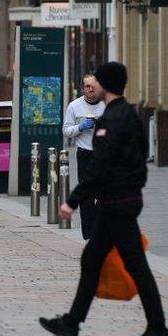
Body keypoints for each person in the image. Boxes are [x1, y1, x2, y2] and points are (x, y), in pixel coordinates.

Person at [39, 62, 168, 336]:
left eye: (96, 82)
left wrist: (72, 201)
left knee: (137, 266)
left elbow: (100, 166)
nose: (92, 87)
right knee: (92, 261)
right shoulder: (129, 114)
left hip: (117, 203)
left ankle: (158, 328)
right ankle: (71, 324)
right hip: (122, 200)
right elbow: (140, 159)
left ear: (105, 85)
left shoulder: (113, 119)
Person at [62, 74, 105, 239]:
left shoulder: (106, 106)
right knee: (87, 196)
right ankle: (90, 233)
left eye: (93, 86)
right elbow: (66, 131)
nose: (91, 89)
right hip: (85, 154)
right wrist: (80, 127)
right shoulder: (74, 106)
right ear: (82, 89)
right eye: (87, 86)